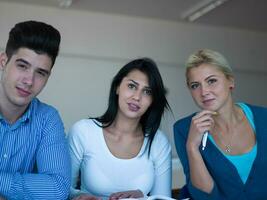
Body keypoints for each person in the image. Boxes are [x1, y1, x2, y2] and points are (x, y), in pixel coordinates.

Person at [68, 58, 172, 200]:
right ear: (117, 87)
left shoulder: (159, 142)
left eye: (147, 91)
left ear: (153, 100)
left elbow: (163, 198)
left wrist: (143, 197)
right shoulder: (83, 131)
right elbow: (63, 190)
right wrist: (80, 196)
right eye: (131, 86)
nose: (137, 97)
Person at [173, 49, 267, 200]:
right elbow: (203, 196)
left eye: (211, 81)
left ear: (230, 81)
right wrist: (192, 147)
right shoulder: (183, 129)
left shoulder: (264, 118)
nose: (204, 92)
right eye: (195, 85)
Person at [0, 21, 71, 199]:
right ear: (3, 61)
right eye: (22, 66)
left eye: (40, 73)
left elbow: (57, 188)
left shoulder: (48, 119)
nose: (29, 81)